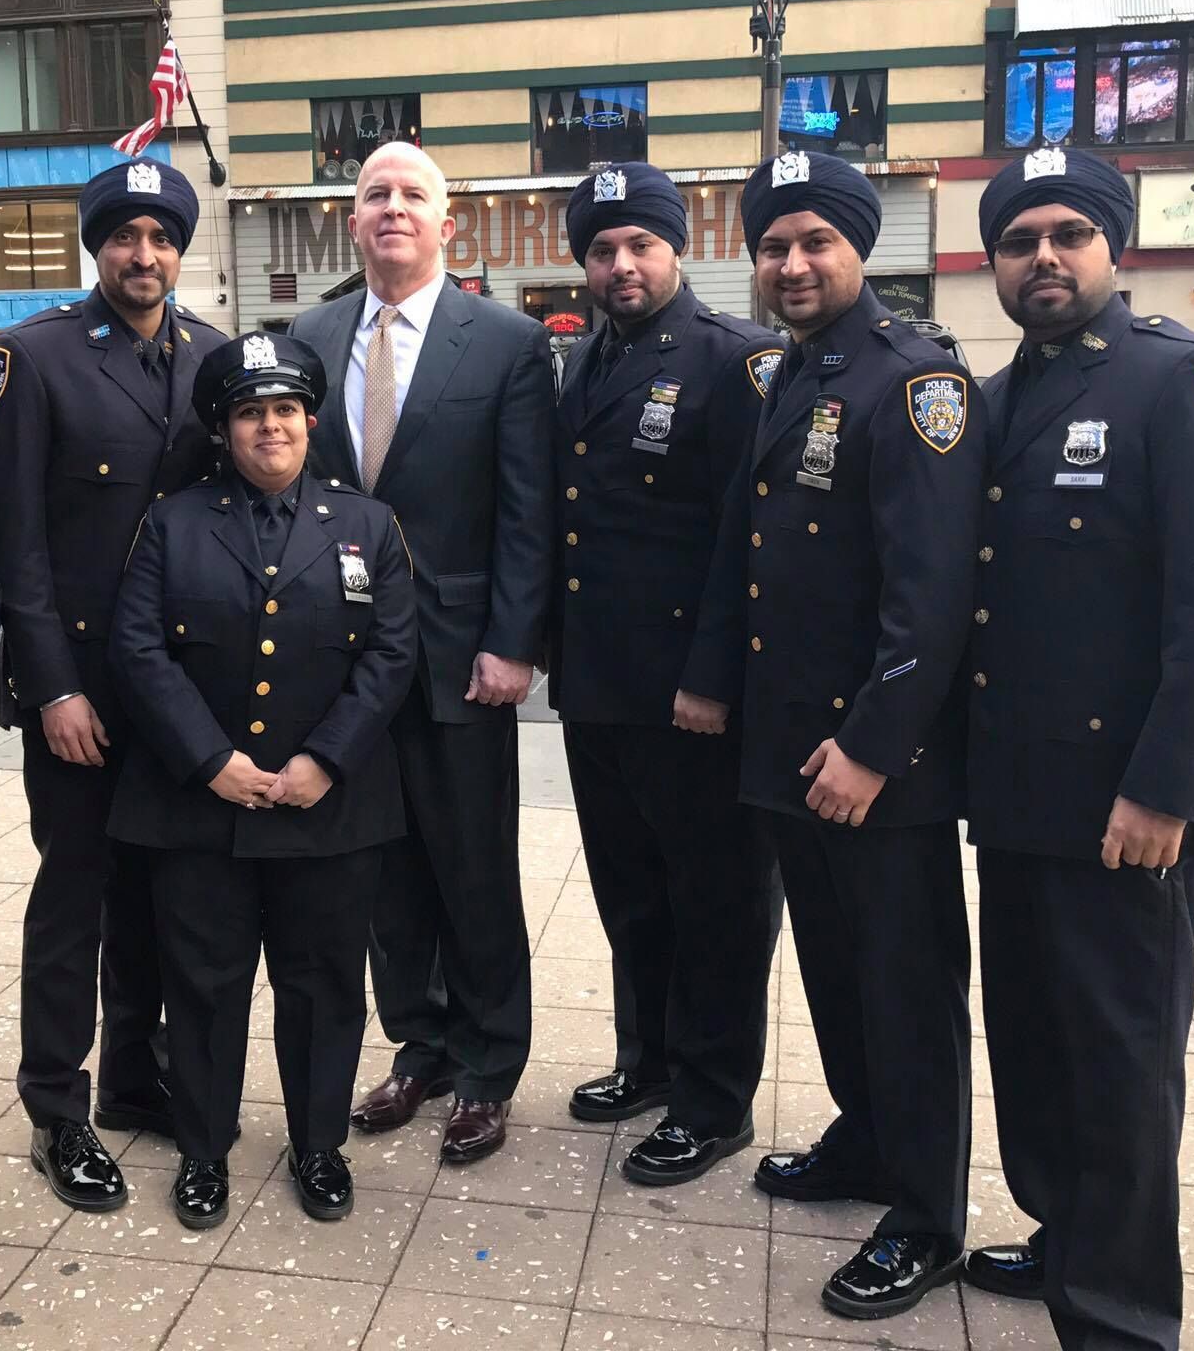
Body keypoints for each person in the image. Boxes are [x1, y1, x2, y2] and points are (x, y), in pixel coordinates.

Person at [961, 150, 1194, 1351]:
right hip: (1019, 799)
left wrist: (1165, 791)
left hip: (1129, 809)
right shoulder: (995, 403)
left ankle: (1118, 1315)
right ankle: (1065, 1236)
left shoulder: (1187, 386)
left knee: (1119, 1065)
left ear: (1112, 247)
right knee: (1036, 1048)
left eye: (1067, 233)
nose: (1041, 257)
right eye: (1016, 240)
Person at [689, 151, 982, 1318]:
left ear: (858, 249)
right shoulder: (794, 373)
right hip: (792, 755)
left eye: (814, 241)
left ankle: (925, 1219)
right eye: (772, 245)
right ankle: (866, 1142)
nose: (791, 263)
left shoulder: (913, 384)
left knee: (905, 988)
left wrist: (871, 746)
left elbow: (932, 595)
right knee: (836, 976)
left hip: (874, 765)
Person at [108, 332, 417, 1228]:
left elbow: (394, 652)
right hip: (197, 807)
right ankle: (204, 1151)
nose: (269, 427)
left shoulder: (366, 524)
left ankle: (317, 1145)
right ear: (225, 430)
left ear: (311, 422)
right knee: (203, 986)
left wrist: (326, 759)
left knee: (322, 986)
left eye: (284, 410)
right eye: (250, 413)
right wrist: (210, 761)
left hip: (330, 808)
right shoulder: (173, 522)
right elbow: (138, 650)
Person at [293, 142, 554, 1165]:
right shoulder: (309, 337)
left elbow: (528, 509)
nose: (391, 209)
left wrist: (512, 644)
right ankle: (421, 1043)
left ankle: (489, 1064)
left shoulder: (504, 342)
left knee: (472, 866)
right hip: (349, 661)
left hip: (461, 656)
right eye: (373, 196)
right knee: (383, 872)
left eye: (411, 196)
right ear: (350, 222)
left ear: (448, 226)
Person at [0, 157, 217, 1212]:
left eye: (160, 236)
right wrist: (51, 686)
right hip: (78, 693)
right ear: (95, 245)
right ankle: (56, 1106)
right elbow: (11, 545)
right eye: (122, 235)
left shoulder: (211, 358)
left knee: (157, 898)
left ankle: (129, 1078)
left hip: (172, 695)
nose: (142, 253)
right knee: (74, 897)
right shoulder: (33, 359)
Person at [548, 162, 783, 1185]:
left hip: (690, 696)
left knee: (715, 901)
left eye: (639, 244)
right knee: (630, 894)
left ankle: (712, 1098)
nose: (620, 264)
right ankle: (644, 1062)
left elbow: (751, 537)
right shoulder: (586, 357)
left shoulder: (736, 360)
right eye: (601, 250)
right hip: (598, 687)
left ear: (675, 248)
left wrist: (713, 675)